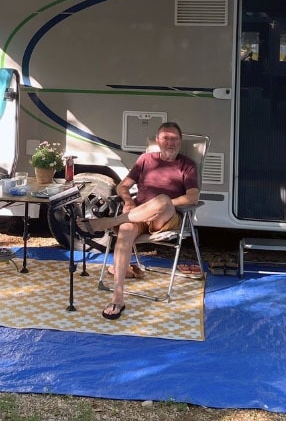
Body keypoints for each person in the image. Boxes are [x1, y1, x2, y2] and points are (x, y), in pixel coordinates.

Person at [77, 122, 199, 320]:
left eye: (174, 138)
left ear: (180, 141)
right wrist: (127, 200)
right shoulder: (145, 159)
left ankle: (108, 222)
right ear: (157, 141)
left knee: (160, 200)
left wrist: (165, 204)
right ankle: (118, 297)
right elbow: (123, 186)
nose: (170, 142)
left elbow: (193, 197)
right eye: (165, 138)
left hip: (166, 218)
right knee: (124, 231)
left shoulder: (187, 165)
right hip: (138, 215)